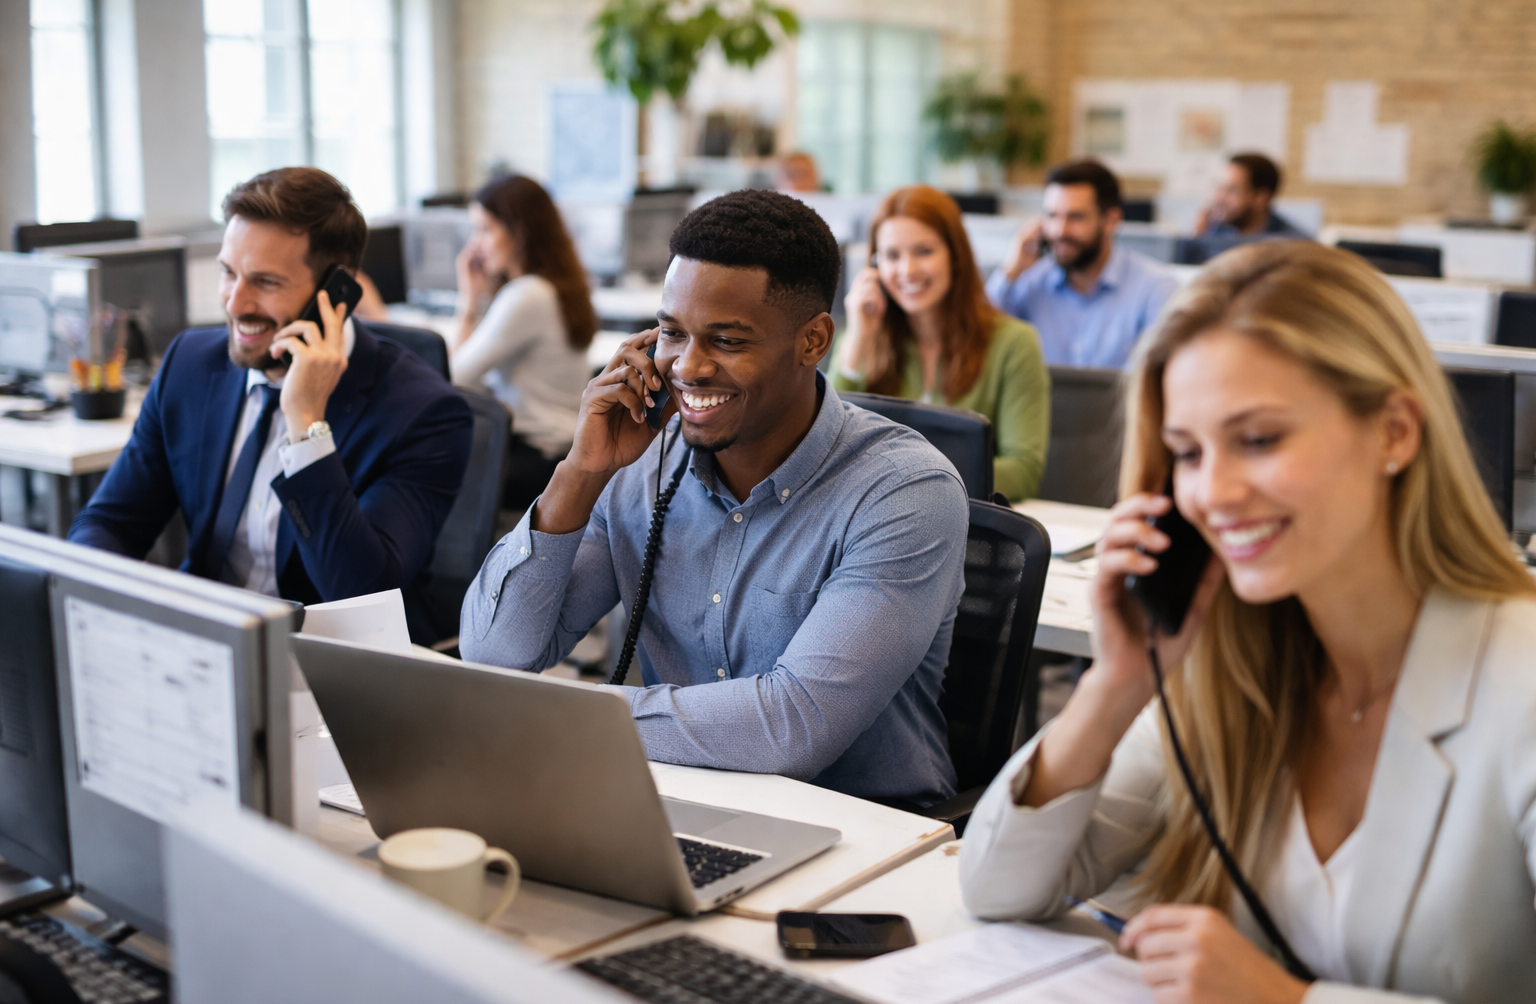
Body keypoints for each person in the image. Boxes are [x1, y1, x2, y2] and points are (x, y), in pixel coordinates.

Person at [959, 240, 1536, 1004]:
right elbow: (998, 889)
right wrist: (1116, 685)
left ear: (1396, 431)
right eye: (1188, 454)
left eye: (1259, 439)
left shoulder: (1518, 682)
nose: (1213, 493)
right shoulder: (1224, 665)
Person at [459, 189, 970, 808]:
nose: (688, 367)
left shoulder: (904, 491)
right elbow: (493, 657)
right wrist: (581, 470)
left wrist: (568, 712)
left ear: (813, 342)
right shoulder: (640, 460)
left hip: (865, 834)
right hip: (680, 801)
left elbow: (792, 726)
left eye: (727, 341)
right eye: (672, 334)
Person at [70, 167, 474, 645]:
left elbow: (363, 594)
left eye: (264, 281)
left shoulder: (424, 412)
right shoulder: (190, 365)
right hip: (208, 646)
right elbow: (112, 523)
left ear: (334, 292)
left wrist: (305, 426)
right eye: (227, 272)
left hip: (334, 669)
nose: (235, 303)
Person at [830, 185, 1050, 502]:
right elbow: (828, 450)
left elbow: (1023, 471)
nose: (907, 270)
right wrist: (858, 340)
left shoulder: (1014, 343)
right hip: (880, 524)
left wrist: (908, 478)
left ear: (955, 255)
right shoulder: (866, 338)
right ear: (874, 267)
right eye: (892, 255)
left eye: (924, 251)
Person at [448, 175, 597, 509]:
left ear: (520, 232)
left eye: (485, 230)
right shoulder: (553, 286)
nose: (475, 245)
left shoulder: (526, 295)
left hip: (534, 458)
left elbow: (453, 377)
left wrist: (467, 300)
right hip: (559, 451)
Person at [987, 159, 1178, 369]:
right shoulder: (1030, 282)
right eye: (1052, 216)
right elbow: (978, 337)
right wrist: (1010, 272)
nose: (1060, 231)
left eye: (1075, 217)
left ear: (1111, 220)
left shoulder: (1154, 290)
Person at [1195, 153, 1308, 239]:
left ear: (1261, 199)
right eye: (1220, 188)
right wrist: (1196, 240)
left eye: (1231, 190)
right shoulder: (1214, 229)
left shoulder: (1293, 245)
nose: (1219, 198)